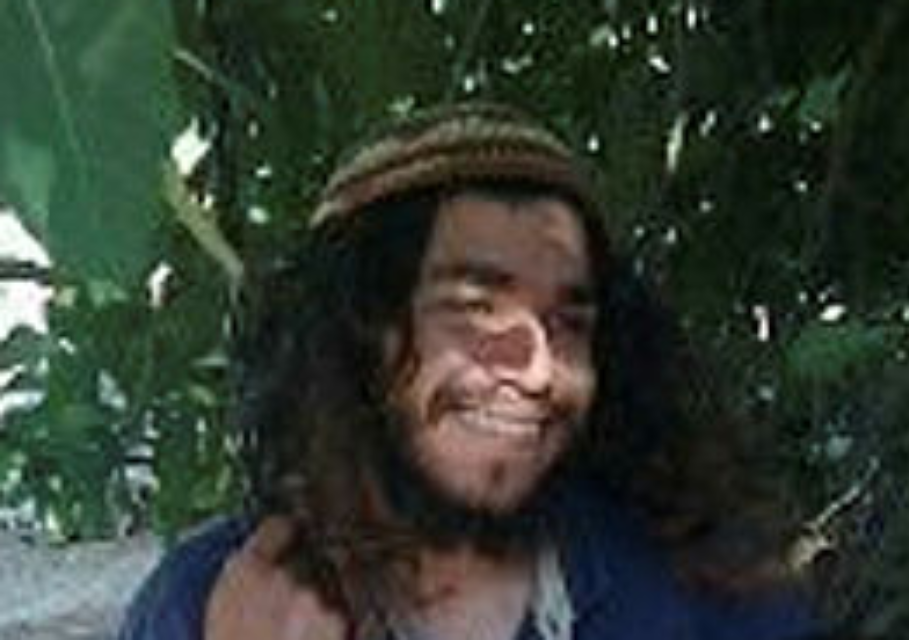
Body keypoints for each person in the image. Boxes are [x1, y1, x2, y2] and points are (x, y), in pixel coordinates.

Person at [119, 102, 822, 640]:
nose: (540, 371)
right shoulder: (203, 604)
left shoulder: (712, 593)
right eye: (475, 310)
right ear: (357, 334)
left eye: (569, 322)